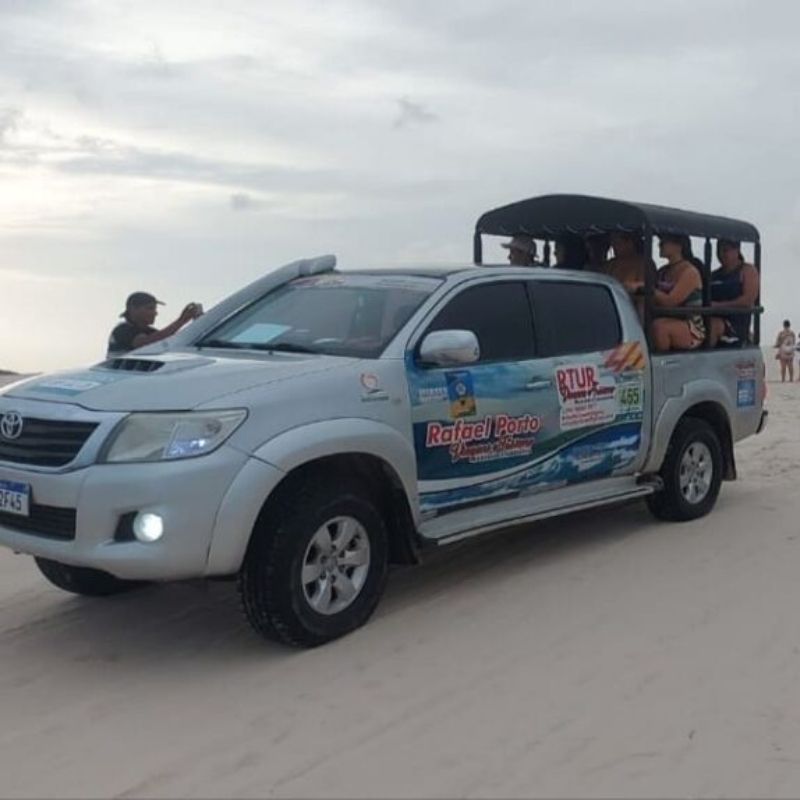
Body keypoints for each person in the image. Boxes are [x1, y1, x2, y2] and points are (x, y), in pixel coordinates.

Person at [626, 234, 705, 352]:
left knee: (659, 327)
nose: (659, 245)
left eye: (663, 242)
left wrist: (646, 288)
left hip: (691, 326)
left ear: (678, 246)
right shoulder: (663, 271)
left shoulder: (690, 272)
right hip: (665, 317)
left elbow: (670, 301)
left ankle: (658, 362)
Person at [107, 292, 203, 356]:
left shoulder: (150, 332)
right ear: (133, 309)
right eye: (150, 308)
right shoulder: (122, 330)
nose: (155, 313)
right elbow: (144, 343)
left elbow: (172, 341)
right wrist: (181, 320)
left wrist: (200, 323)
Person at [708, 239, 759, 347]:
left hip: (736, 325)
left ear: (737, 250)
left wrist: (718, 306)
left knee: (712, 325)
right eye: (719, 251)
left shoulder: (747, 270)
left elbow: (748, 300)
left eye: (725, 250)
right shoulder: (713, 275)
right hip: (711, 317)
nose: (721, 255)